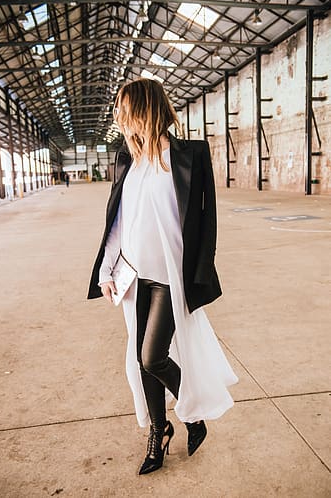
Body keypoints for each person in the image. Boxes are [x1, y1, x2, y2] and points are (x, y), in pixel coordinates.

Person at [87, 78, 238, 475]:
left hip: (171, 274)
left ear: (144, 109)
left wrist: (201, 274)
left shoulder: (190, 155)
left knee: (153, 356)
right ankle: (159, 430)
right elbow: (117, 221)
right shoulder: (127, 160)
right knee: (141, 361)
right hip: (133, 276)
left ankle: (191, 414)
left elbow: (207, 223)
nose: (119, 117)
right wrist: (106, 270)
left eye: (123, 109)